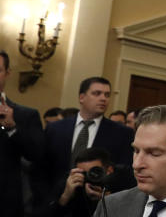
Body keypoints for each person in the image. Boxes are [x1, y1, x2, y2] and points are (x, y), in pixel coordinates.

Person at [40, 77, 134, 206]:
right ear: (82, 97)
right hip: (58, 203)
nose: (103, 98)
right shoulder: (55, 129)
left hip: (95, 206)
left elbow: (125, 174)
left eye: (107, 95)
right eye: (97, 93)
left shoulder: (122, 133)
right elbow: (41, 168)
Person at [31, 147, 117, 217]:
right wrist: (65, 196)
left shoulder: (120, 185)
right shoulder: (74, 186)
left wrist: (109, 200)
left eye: (95, 172)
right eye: (84, 174)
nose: (91, 177)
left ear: (109, 170)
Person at [0, 50, 44, 217]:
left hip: (4, 211)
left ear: (7, 73)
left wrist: (12, 128)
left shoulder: (25, 115)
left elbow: (38, 155)